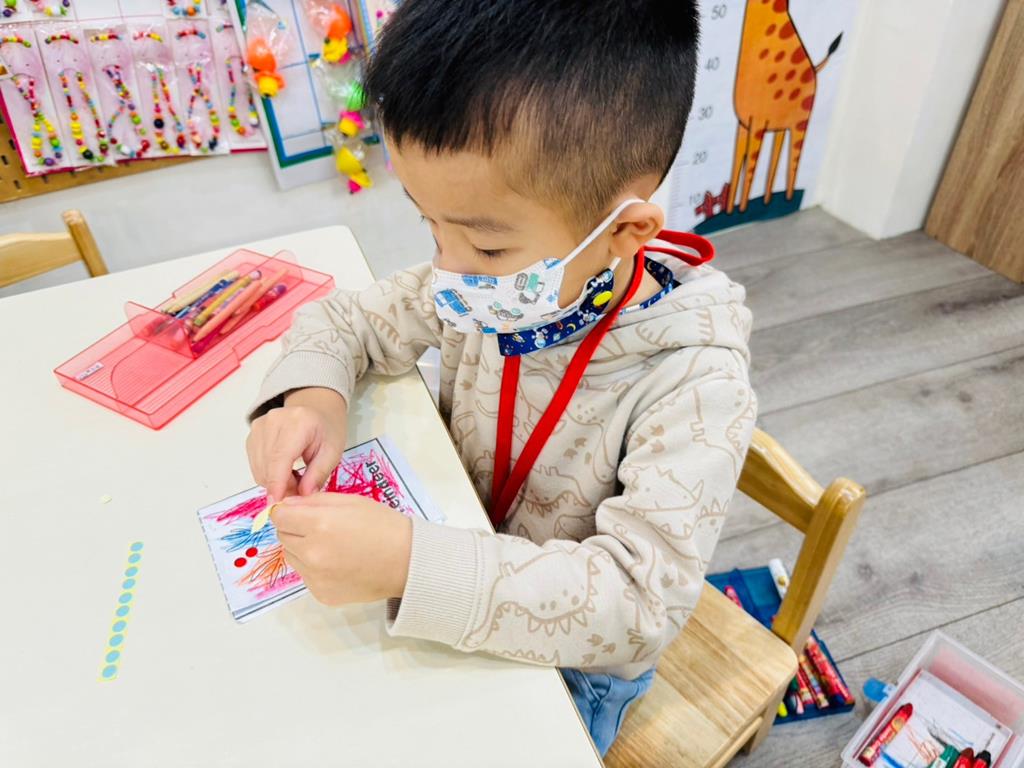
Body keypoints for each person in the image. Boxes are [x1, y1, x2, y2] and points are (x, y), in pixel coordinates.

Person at [246, 0, 757, 754]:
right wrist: (312, 400)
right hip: (450, 554)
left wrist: (408, 562)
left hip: (572, 666)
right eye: (428, 224)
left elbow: (638, 605)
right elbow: (346, 321)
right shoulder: (485, 288)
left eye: (486, 248)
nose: (448, 269)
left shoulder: (694, 383)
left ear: (625, 231)